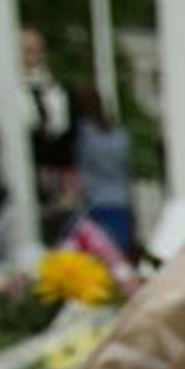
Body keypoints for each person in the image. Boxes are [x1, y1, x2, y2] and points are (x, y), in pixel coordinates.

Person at [22, 27, 77, 240]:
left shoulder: (56, 92)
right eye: (27, 50)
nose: (33, 57)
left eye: (37, 50)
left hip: (56, 177)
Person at [71, 86, 135, 255]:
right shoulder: (119, 133)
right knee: (117, 253)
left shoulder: (84, 133)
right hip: (120, 200)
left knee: (99, 255)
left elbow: (82, 168)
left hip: (96, 201)